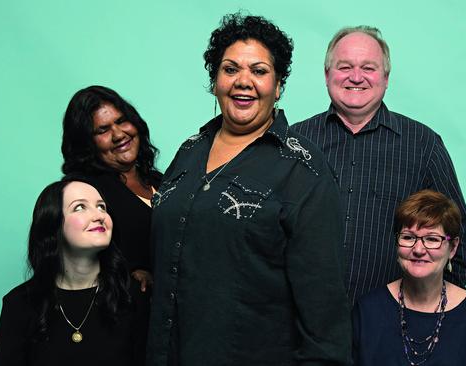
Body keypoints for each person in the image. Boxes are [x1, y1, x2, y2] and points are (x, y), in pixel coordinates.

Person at [146, 13, 351, 366]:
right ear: (214, 81)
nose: (244, 82)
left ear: (279, 84)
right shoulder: (189, 150)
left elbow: (324, 306)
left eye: (259, 71)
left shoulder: (302, 168)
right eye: (230, 69)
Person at [292, 26, 466, 303]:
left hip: (394, 326)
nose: (356, 77)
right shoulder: (295, 142)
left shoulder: (423, 144)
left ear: (386, 78)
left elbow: (457, 229)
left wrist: (432, 306)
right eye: (344, 67)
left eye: (368, 67)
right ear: (327, 74)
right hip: (302, 325)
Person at [0, 178, 149, 365]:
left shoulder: (133, 295)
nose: (98, 215)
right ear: (53, 223)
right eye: (80, 207)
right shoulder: (20, 303)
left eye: (101, 207)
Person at [353, 190, 466, 365]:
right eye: (408, 237)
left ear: (453, 247)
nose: (419, 250)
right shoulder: (367, 311)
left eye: (432, 239)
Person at [61, 85, 163, 291]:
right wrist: (128, 272)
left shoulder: (160, 180)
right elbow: (76, 257)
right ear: (87, 143)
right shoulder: (84, 190)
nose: (118, 134)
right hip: (127, 308)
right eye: (103, 130)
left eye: (121, 121)